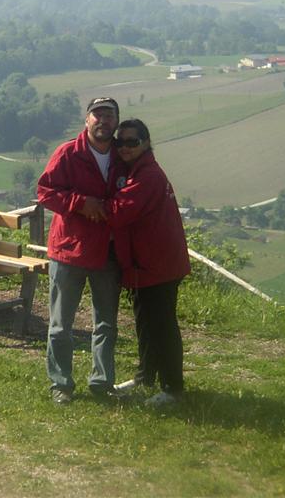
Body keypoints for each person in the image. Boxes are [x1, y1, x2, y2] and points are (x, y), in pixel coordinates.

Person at [36, 96, 122, 405]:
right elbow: (45, 192)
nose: (103, 120)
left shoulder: (123, 156)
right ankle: (61, 383)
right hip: (69, 251)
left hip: (108, 253)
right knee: (61, 324)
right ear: (86, 120)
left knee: (107, 323)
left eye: (109, 115)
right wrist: (80, 204)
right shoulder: (68, 154)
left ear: (116, 121)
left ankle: (102, 382)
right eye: (97, 115)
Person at [107, 119, 191, 408]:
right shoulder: (138, 171)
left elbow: (119, 213)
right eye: (120, 142)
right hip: (147, 264)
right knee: (146, 322)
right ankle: (146, 376)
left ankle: (173, 388)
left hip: (159, 264)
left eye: (132, 141)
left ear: (145, 142)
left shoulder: (148, 176)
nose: (125, 147)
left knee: (162, 325)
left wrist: (87, 203)